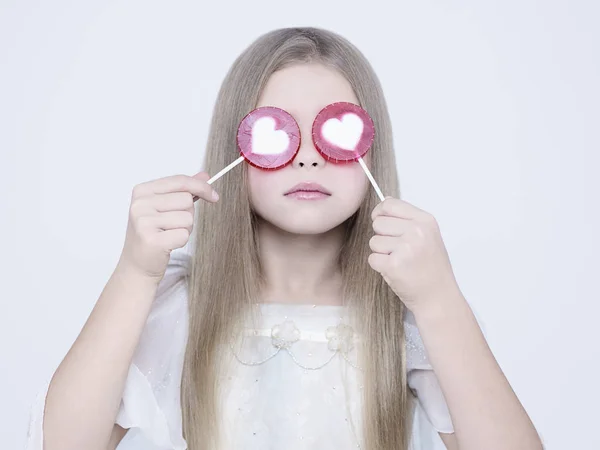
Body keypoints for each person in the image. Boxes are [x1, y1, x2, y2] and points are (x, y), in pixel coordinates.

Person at [25, 27, 543, 450]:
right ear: (238, 144)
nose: (309, 157)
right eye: (278, 132)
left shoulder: (401, 315)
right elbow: (63, 444)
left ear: (371, 149)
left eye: (335, 133)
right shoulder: (183, 307)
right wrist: (135, 273)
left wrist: (439, 299)